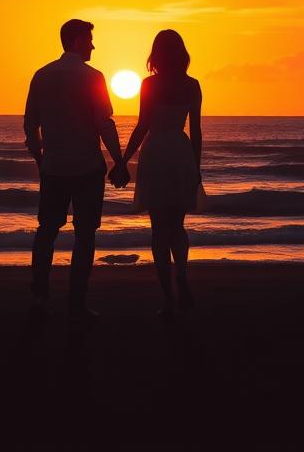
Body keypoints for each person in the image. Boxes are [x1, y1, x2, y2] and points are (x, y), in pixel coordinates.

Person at [24, 19, 129, 318]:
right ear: (76, 41)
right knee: (85, 234)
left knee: (47, 230)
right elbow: (103, 124)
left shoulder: (41, 76)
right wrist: (118, 161)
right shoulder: (93, 77)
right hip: (86, 167)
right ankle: (77, 301)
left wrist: (39, 160)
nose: (93, 45)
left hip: (54, 167)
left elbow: (31, 125)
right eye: (90, 39)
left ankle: (40, 295)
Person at [121, 29, 202, 315]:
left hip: (156, 151)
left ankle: (167, 296)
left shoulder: (149, 84)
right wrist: (197, 167)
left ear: (156, 54)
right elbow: (196, 132)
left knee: (159, 228)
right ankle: (181, 274)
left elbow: (142, 126)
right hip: (180, 152)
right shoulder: (192, 85)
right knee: (177, 225)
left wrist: (122, 160)